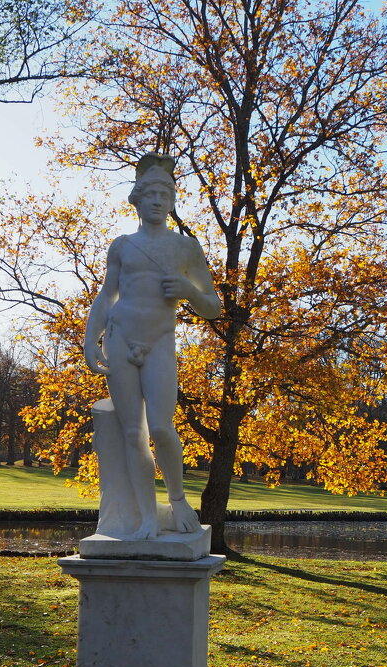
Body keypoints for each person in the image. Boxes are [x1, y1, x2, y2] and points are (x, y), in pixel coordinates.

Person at [84, 153, 221, 539]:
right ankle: (147, 517)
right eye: (152, 194)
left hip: (160, 343)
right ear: (137, 200)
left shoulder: (185, 248)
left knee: (161, 428)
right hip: (120, 340)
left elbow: (213, 307)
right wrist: (89, 340)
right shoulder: (122, 246)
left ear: (173, 200)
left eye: (166, 193)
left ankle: (177, 502)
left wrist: (188, 291)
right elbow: (106, 296)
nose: (159, 200)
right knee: (133, 433)